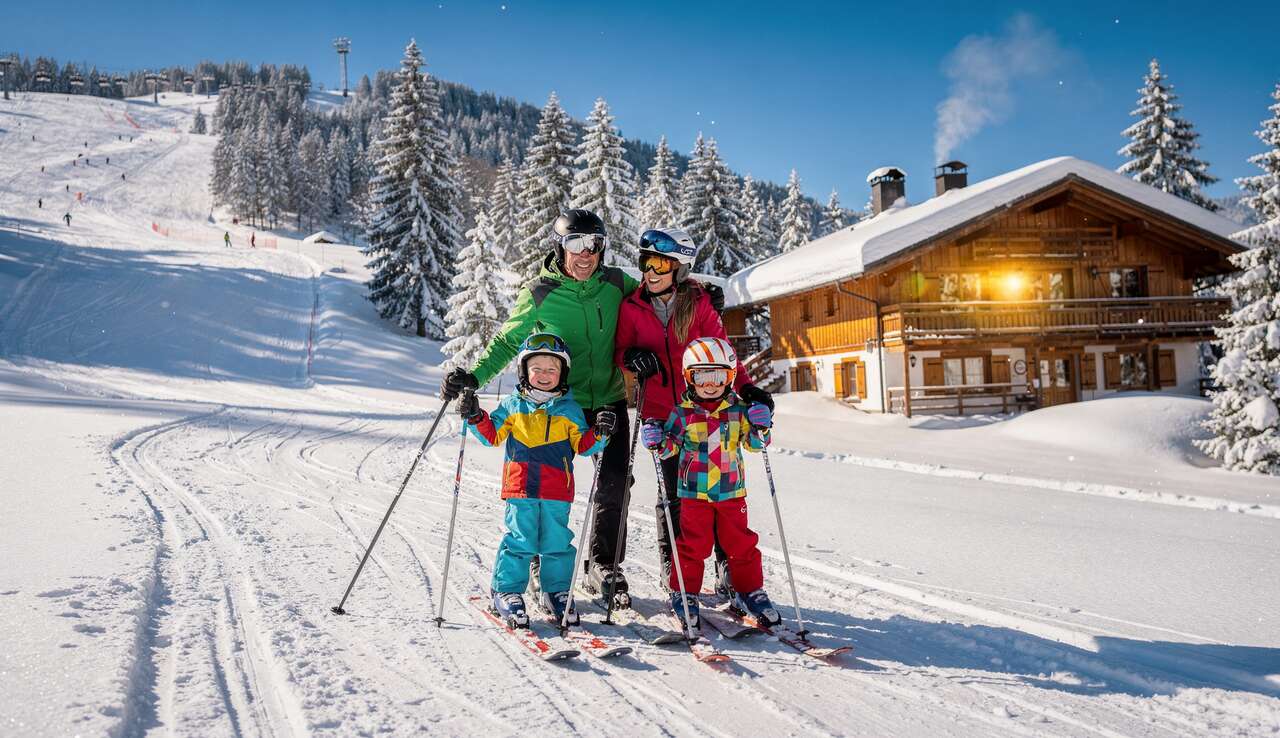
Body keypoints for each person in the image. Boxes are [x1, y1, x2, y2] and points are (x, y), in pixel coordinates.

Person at [441, 209, 642, 607]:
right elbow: (506, 343)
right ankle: (536, 560)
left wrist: (699, 293)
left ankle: (603, 564)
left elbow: (658, 295)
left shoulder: (618, 283)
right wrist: (474, 378)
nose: (585, 255)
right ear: (558, 246)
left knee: (615, 481)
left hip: (607, 400)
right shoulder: (540, 293)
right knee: (543, 487)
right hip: (555, 405)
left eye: (594, 245)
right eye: (575, 244)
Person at [614, 228, 773, 597]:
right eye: (645, 262)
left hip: (707, 413)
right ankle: (674, 570)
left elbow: (722, 352)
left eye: (660, 265)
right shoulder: (631, 306)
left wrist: (746, 388)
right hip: (660, 413)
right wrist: (631, 358)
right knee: (672, 493)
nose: (650, 272)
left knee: (717, 493)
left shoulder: (699, 304)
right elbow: (619, 350)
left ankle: (726, 569)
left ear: (680, 269)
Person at [458, 333, 615, 628]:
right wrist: (476, 416)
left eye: (552, 369)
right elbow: (492, 436)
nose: (544, 375)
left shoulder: (570, 410)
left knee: (557, 542)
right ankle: (506, 590)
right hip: (521, 487)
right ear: (524, 371)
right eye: (537, 368)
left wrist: (601, 433)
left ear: (563, 373)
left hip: (558, 490)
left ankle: (555, 590)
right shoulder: (513, 406)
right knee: (520, 540)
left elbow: (583, 445)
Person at [641, 337, 781, 631]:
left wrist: (761, 425)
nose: (710, 384)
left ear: (730, 377)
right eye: (702, 376)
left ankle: (749, 591)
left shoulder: (738, 410)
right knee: (693, 546)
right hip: (694, 494)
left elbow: (756, 444)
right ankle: (684, 592)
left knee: (741, 544)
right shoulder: (682, 413)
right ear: (689, 377)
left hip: (731, 493)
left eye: (718, 376)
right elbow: (670, 448)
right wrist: (656, 439)